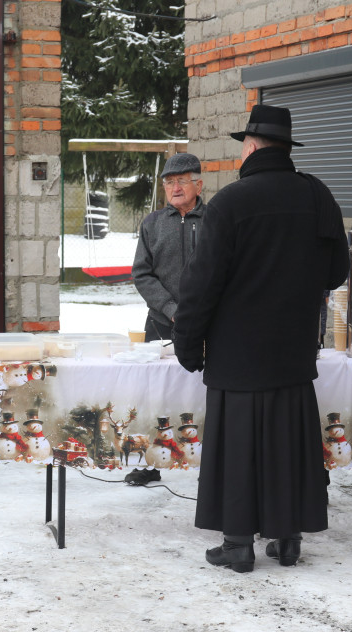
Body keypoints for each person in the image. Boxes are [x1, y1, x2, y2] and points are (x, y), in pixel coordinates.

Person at [172, 105, 349, 573]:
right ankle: (288, 541)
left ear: (250, 147)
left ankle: (237, 544)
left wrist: (187, 343)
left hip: (238, 356)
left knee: (239, 448)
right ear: (286, 148)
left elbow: (201, 284)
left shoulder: (230, 202)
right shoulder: (318, 196)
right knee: (287, 445)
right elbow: (337, 272)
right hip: (293, 353)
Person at [126, 151, 205, 486]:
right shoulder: (152, 224)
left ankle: (210, 460)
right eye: (169, 182)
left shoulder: (215, 220)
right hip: (160, 323)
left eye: (182, 181)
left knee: (204, 393)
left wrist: (200, 311)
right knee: (154, 395)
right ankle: (151, 463)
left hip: (207, 325)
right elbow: (142, 274)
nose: (175, 188)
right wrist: (172, 309)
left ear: (199, 184)